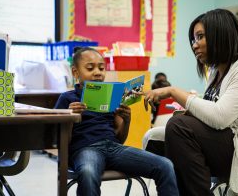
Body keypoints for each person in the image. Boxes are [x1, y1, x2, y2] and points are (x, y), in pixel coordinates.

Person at [141, 9, 238, 196]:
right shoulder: (215, 72)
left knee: (178, 127)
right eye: (193, 40)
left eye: (200, 37)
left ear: (220, 34)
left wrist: (173, 91)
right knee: (155, 139)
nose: (194, 45)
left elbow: (220, 117)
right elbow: (213, 115)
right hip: (232, 142)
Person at [54, 47, 179, 196]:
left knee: (165, 165)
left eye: (101, 68)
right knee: (88, 172)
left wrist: (126, 120)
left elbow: (120, 139)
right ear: (75, 72)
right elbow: (58, 140)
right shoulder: (68, 98)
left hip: (114, 148)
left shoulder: (110, 97)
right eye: (90, 68)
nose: (97, 72)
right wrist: (70, 116)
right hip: (85, 149)